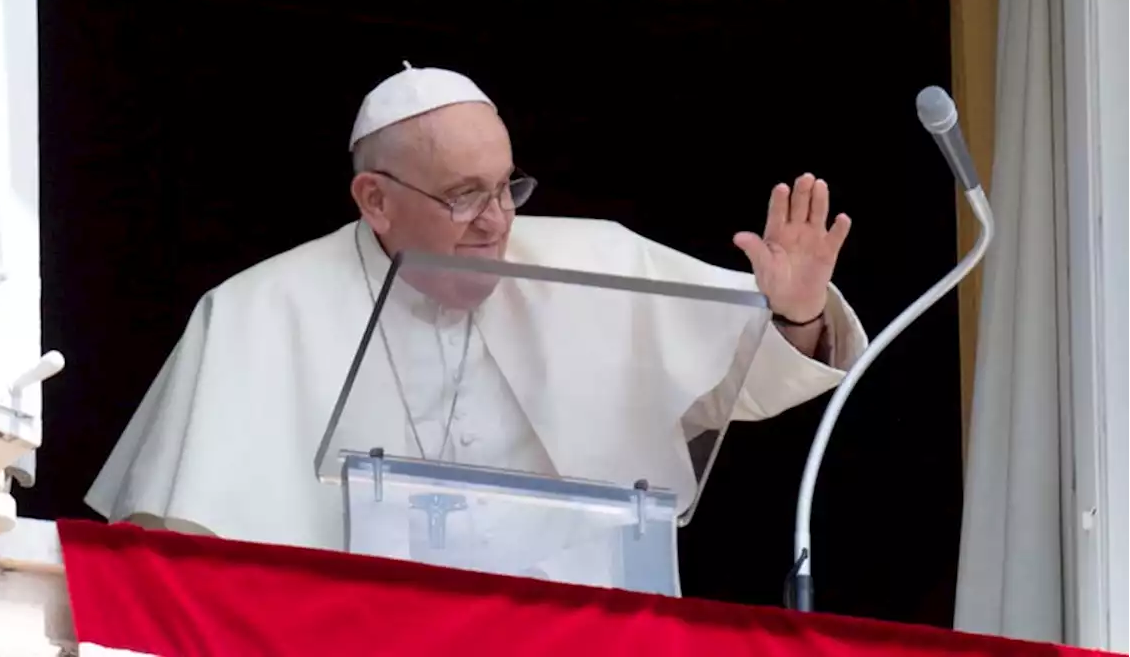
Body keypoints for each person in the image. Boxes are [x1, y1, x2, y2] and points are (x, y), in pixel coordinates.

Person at [86, 62, 868, 586]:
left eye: (507, 187)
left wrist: (794, 311)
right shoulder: (259, 310)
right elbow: (178, 550)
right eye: (464, 195)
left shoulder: (595, 259)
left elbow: (752, 382)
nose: (496, 222)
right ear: (375, 200)